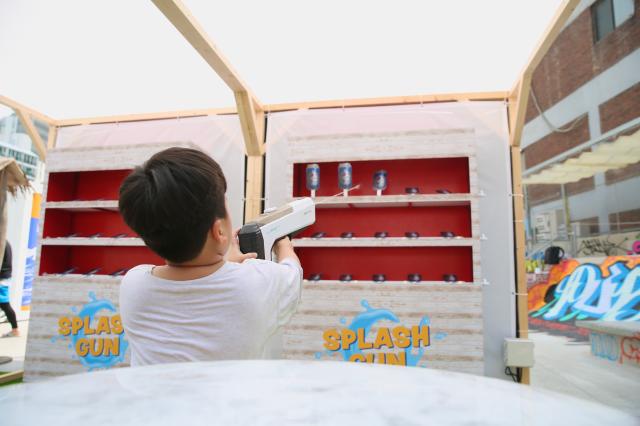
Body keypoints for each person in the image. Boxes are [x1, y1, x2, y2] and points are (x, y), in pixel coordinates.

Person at [118, 147, 302, 366]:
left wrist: (224, 262)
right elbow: (292, 271)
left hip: (154, 401)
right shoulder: (259, 282)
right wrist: (282, 242)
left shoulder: (134, 285)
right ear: (219, 231)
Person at [0, 241, 19, 338]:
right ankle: (15, 330)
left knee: (5, 305)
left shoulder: (2, 242)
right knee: (5, 305)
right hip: (4, 277)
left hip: (2, 278)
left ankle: (15, 330)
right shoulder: (5, 241)